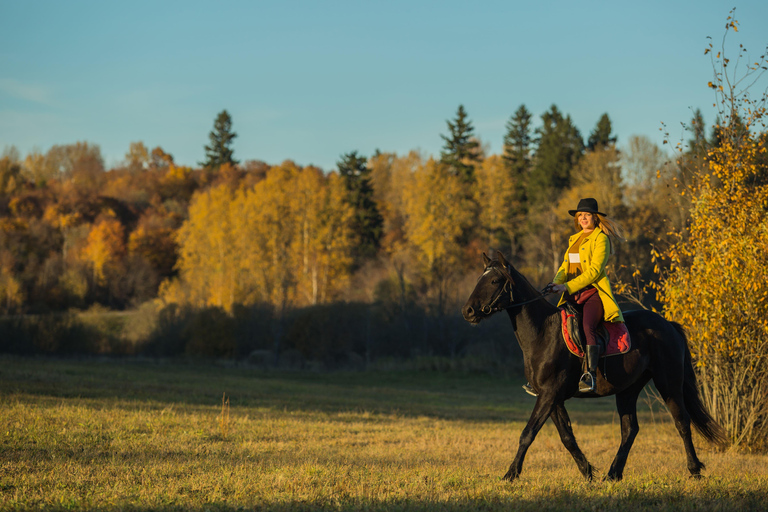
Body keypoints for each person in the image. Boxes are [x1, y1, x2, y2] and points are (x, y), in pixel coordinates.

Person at [522, 198, 625, 396]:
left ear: (595, 217)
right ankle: (543, 377)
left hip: (593, 293)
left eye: (587, 215)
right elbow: (565, 267)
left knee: (587, 327)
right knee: (554, 328)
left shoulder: (601, 239)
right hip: (573, 293)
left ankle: (590, 375)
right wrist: (555, 283)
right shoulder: (574, 239)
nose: (583, 218)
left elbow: (595, 271)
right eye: (580, 215)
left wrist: (566, 286)